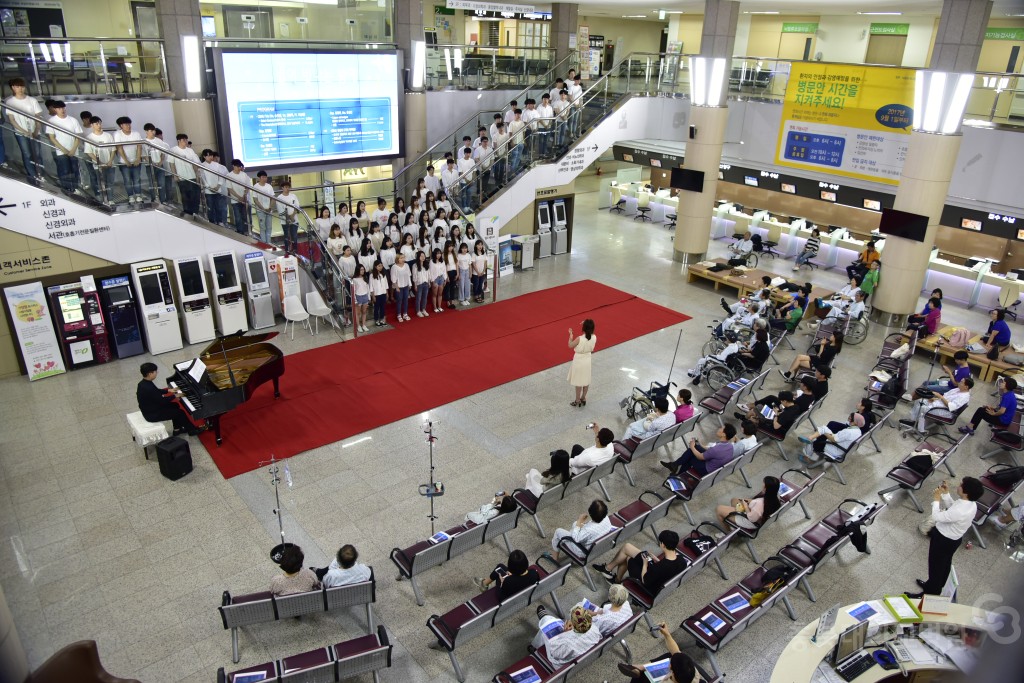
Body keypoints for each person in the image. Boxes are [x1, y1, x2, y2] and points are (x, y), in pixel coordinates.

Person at [906, 477, 984, 598]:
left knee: (935, 567)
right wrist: (946, 494)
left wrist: (936, 500)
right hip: (953, 540)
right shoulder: (971, 504)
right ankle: (935, 584)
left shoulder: (960, 511)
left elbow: (937, 516)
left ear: (966, 492)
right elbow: (953, 509)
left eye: (961, 485)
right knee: (944, 565)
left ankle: (930, 593)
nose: (958, 485)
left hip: (943, 540)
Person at [593, 530, 686, 591]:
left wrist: (645, 564)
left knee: (629, 557)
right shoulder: (682, 560)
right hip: (658, 575)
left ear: (663, 545)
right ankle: (608, 569)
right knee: (627, 547)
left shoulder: (661, 567)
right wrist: (656, 559)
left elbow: (645, 580)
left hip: (648, 584)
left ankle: (616, 579)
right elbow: (667, 566)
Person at [136, 362, 204, 436]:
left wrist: (168, 390)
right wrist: (175, 396)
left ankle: (177, 429)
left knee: (175, 405)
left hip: (150, 408)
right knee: (180, 413)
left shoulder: (143, 383)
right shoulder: (149, 387)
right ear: (150, 374)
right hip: (152, 414)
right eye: (155, 371)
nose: (157, 372)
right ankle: (192, 430)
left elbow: (156, 391)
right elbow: (163, 401)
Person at [616, 624, 700, 683]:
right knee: (670, 655)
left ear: (672, 671)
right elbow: (676, 653)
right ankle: (640, 668)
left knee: (643, 677)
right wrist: (667, 635)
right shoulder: (693, 675)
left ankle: (640, 670)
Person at [531, 605, 600, 667]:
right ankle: (544, 618)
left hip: (562, 665)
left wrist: (565, 633)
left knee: (545, 631)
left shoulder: (565, 643)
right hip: (584, 654)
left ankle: (536, 646)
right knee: (548, 623)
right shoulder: (595, 629)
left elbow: (555, 654)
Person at [546, 499, 613, 563]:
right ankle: (567, 543)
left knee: (558, 531)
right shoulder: (606, 519)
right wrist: (578, 523)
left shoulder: (588, 530)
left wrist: (579, 520)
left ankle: (554, 558)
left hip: (583, 551)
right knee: (575, 524)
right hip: (594, 546)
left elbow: (577, 539)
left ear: (590, 513)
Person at [900, 377, 973, 435]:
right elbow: (945, 396)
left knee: (923, 408)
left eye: (961, 382)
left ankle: (920, 430)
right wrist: (935, 398)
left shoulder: (964, 397)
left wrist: (940, 397)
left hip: (945, 411)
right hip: (940, 403)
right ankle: (914, 421)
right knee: (920, 400)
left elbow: (951, 407)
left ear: (966, 387)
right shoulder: (958, 389)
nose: (959, 382)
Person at [660, 424, 737, 477]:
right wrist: (699, 445)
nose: (719, 429)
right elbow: (710, 450)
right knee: (696, 447)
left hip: (706, 469)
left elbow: (701, 457)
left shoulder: (716, 449)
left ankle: (678, 473)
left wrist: (692, 446)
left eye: (721, 429)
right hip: (714, 465)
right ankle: (674, 465)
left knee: (691, 455)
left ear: (724, 434)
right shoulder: (729, 445)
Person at [6, 78, 43, 182]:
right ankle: (32, 174)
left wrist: (36, 130)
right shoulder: (10, 101)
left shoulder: (32, 100)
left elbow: (38, 116)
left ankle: (40, 174)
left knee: (37, 153)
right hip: (20, 133)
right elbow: (12, 120)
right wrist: (25, 132)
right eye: (17, 87)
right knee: (27, 154)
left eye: (22, 86)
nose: (20, 89)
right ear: (13, 88)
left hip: (35, 131)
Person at [798, 413, 864, 468]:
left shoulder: (848, 432)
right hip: (842, 449)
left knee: (818, 436)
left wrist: (825, 433)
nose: (849, 419)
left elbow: (834, 439)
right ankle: (810, 438)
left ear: (855, 421)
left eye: (851, 418)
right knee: (823, 429)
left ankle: (807, 456)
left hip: (835, 450)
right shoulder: (858, 431)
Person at [46, 100, 83, 194]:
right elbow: (52, 137)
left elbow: (78, 136)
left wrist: (73, 149)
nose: (62, 110)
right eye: (59, 108)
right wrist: (63, 149)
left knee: (74, 169)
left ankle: (75, 187)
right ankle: (66, 188)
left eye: (63, 108)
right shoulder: (51, 121)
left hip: (74, 150)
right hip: (60, 151)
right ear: (55, 109)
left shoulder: (73, 120)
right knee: (65, 170)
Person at [716, 476, 782, 526]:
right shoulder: (776, 498)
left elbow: (751, 518)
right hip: (758, 514)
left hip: (750, 521)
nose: (762, 485)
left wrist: (746, 506)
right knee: (734, 500)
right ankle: (733, 521)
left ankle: (728, 534)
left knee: (719, 509)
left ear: (766, 488)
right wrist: (751, 502)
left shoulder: (759, 504)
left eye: (763, 484)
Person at [473, 549, 539, 596]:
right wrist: (513, 576)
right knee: (501, 566)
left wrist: (501, 582)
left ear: (510, 566)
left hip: (505, 597)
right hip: (524, 592)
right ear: (526, 562)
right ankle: (484, 583)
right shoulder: (533, 572)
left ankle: (484, 584)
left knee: (499, 571)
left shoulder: (508, 581)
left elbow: (501, 595)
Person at [84, 116, 115, 204]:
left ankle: (111, 199)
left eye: (100, 123)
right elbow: (89, 152)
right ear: (92, 125)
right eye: (96, 124)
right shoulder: (89, 137)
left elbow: (113, 149)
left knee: (110, 182)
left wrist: (110, 161)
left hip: (110, 163)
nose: (99, 125)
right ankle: (103, 199)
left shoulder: (108, 135)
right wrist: (99, 162)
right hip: (98, 164)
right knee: (101, 182)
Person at [169, 133, 201, 215]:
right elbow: (171, 164)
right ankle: (188, 213)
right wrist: (175, 175)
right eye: (184, 140)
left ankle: (195, 213)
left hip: (192, 176)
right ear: (179, 141)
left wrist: (197, 175)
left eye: (186, 140)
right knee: (185, 196)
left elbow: (195, 164)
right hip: (182, 177)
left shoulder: (190, 150)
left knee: (195, 196)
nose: (186, 142)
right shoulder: (173, 150)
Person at [114, 116, 144, 203]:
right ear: (121, 126)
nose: (128, 126)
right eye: (126, 124)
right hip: (124, 162)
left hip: (136, 161)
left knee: (137, 179)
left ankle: (138, 195)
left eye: (129, 124)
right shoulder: (117, 134)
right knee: (127, 180)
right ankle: (130, 196)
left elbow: (139, 146)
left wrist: (138, 158)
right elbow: (119, 148)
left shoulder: (136, 133)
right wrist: (126, 161)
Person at [568, 318, 596, 407]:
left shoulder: (579, 339)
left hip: (579, 361)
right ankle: (583, 398)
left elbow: (570, 345)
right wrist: (586, 324)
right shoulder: (594, 337)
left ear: (583, 328)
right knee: (586, 380)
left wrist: (571, 336)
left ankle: (577, 400)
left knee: (578, 381)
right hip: (587, 360)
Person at [143, 123, 172, 203]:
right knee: (152, 184)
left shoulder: (158, 141)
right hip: (149, 166)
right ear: (146, 131)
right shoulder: (144, 142)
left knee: (161, 184)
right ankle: (154, 200)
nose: (153, 132)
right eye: (151, 130)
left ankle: (162, 200)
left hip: (160, 165)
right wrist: (151, 163)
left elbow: (163, 153)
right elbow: (144, 155)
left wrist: (160, 162)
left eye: (154, 130)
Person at [227, 159, 250, 235]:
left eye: (240, 166)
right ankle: (240, 232)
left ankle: (245, 232)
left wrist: (244, 196)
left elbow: (247, 187)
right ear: (233, 166)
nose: (239, 168)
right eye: (237, 166)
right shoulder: (229, 175)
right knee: (238, 217)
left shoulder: (244, 175)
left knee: (244, 217)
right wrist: (238, 197)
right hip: (235, 200)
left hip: (244, 199)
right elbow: (230, 189)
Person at [276, 182, 301, 254]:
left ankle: (295, 251)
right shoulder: (279, 198)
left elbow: (297, 206)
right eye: (286, 187)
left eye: (288, 187)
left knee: (294, 236)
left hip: (294, 220)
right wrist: (289, 217)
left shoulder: (293, 196)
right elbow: (281, 211)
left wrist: (293, 216)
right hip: (284, 221)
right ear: (282, 188)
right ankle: (287, 251)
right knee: (286, 236)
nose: (287, 189)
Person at [251, 171, 275, 242]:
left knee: (269, 227)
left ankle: (269, 242)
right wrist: (263, 208)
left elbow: (273, 198)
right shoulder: (255, 186)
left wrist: (270, 207)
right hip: (260, 211)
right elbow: (255, 199)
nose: (265, 178)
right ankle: (264, 242)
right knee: (262, 227)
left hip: (269, 210)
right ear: (259, 178)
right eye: (263, 177)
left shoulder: (269, 186)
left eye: (265, 177)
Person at [390, 252, 412, 322]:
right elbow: (393, 279)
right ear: (397, 259)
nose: (403, 259)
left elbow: (408, 275)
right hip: (399, 287)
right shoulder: (394, 267)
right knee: (399, 301)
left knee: (406, 300)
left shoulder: (406, 265)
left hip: (405, 286)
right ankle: (399, 315)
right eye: (401, 258)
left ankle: (405, 314)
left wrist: (409, 284)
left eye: (403, 258)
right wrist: (396, 287)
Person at [351, 263, 370, 333]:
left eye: (363, 269)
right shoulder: (354, 279)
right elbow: (353, 291)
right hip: (358, 296)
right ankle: (358, 326)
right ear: (358, 270)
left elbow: (368, 288)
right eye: (361, 270)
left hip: (365, 296)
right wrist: (355, 300)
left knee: (364, 312)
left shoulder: (365, 278)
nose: (363, 271)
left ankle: (364, 325)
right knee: (358, 313)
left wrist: (369, 297)